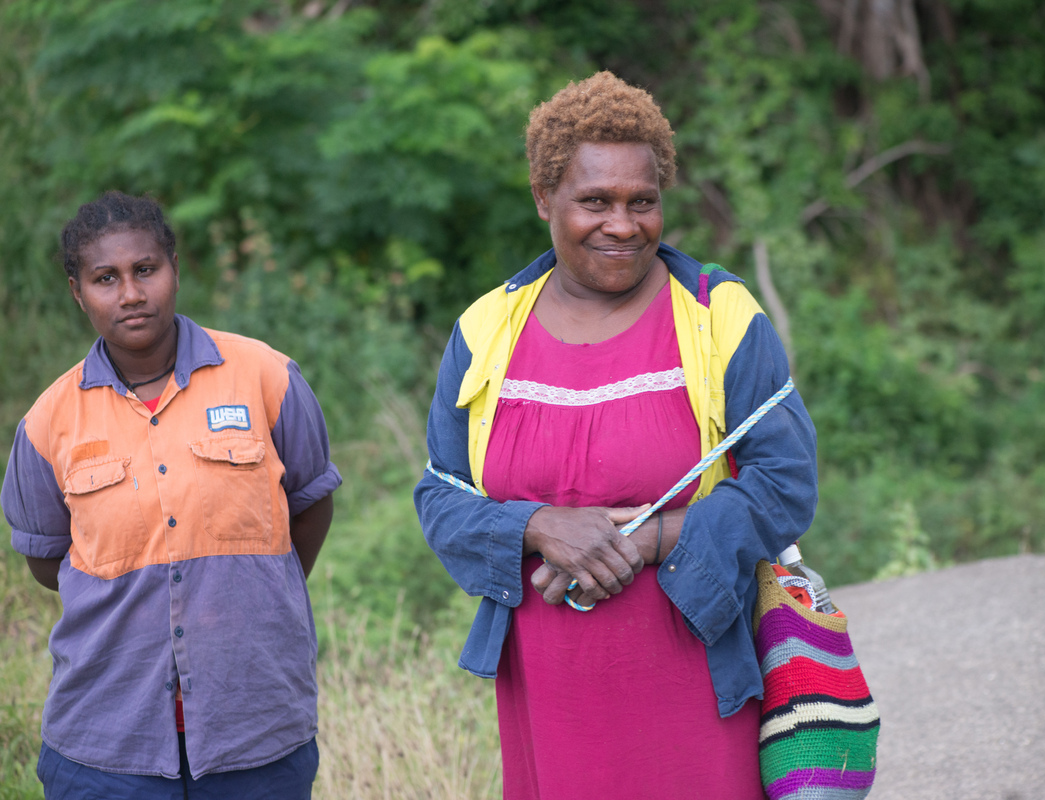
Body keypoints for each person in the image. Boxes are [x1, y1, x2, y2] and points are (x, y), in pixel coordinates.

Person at [414, 71, 818, 798]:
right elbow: (439, 497)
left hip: (693, 672)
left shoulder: (718, 318)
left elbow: (784, 482)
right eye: (594, 201)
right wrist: (539, 527)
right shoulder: (485, 333)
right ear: (545, 199)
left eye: (643, 201)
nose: (622, 224)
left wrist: (648, 539)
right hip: (549, 687)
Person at [1, 191, 342, 799]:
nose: (130, 293)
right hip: (107, 742)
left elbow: (310, 508)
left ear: (175, 270)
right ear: (78, 293)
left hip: (255, 730)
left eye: (145, 270)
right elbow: (50, 562)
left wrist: (253, 588)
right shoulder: (46, 424)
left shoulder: (267, 377)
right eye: (105, 278)